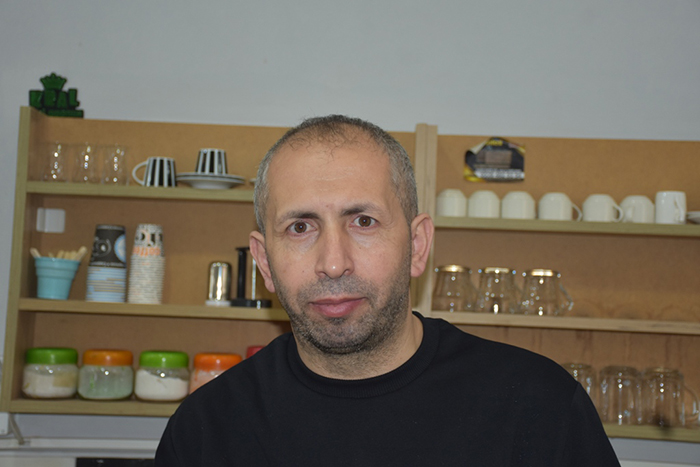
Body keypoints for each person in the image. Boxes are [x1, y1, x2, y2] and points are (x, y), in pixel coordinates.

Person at [155, 115, 620, 466]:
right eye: (300, 227)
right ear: (264, 262)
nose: (333, 263)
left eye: (363, 221)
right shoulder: (205, 431)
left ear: (417, 246)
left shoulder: (540, 407)